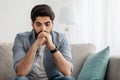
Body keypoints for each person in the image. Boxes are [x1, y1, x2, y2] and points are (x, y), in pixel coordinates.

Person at [12, 4, 74, 80]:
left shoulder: (61, 38)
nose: (43, 29)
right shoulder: (21, 38)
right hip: (29, 78)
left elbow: (67, 72)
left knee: (68, 79)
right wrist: (35, 45)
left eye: (47, 24)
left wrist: (52, 47)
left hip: (54, 78)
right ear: (32, 24)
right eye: (38, 24)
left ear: (52, 24)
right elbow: (20, 72)